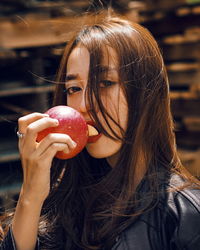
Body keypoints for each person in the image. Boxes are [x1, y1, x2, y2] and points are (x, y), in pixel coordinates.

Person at [0, 12, 200, 250]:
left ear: (146, 93)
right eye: (74, 88)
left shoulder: (183, 215)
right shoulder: (64, 204)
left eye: (105, 83)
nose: (83, 105)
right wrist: (31, 194)